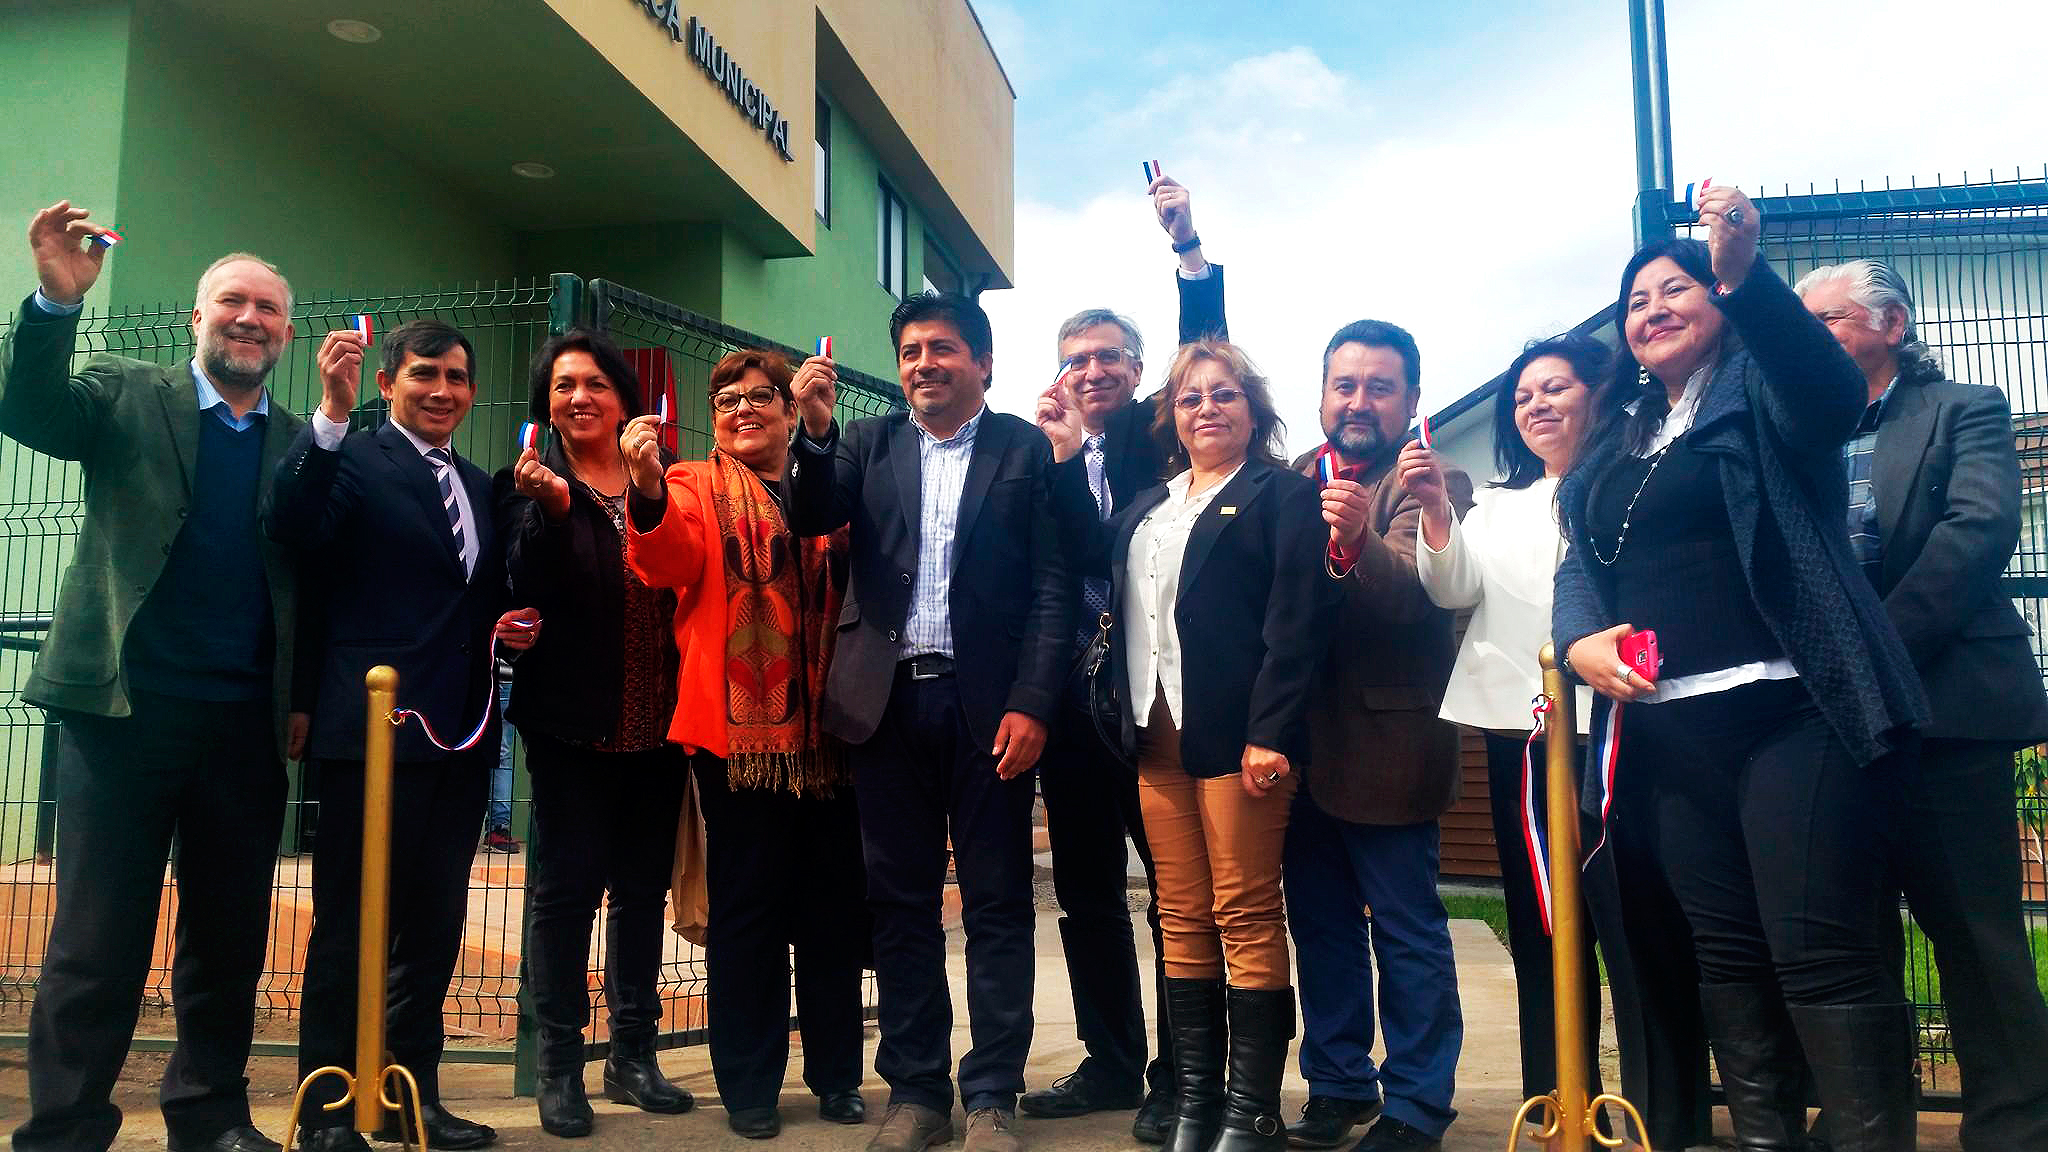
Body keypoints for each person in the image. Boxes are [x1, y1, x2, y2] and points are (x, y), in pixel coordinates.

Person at [1554, 189, 1928, 1152]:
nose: (1652, 310)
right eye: (1636, 300)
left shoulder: (1761, 391)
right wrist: (1582, 641)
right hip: (1671, 731)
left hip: (1790, 712)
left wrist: (1745, 275)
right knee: (1723, 953)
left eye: (1675, 289)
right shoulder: (1619, 436)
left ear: (1718, 301)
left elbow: (1832, 396)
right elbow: (1577, 566)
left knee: (1819, 949)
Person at [2, 205, 304, 1152]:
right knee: (97, 941)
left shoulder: (302, 443)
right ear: (196, 317)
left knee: (228, 940)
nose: (248, 318)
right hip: (120, 717)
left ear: (286, 332)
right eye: (232, 302)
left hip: (243, 728)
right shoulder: (125, 391)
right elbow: (30, 411)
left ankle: (209, 1117)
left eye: (267, 308)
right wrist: (55, 304)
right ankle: (65, 1129)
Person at [1407, 335, 1714, 1150]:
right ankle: (1557, 1103)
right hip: (1526, 734)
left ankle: (1665, 1116)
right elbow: (1454, 590)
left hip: (1626, 730)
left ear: (1598, 394)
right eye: (1522, 397)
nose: (1535, 406)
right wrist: (1436, 510)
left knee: (1641, 923)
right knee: (1544, 924)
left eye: (1554, 389)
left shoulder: (1634, 481)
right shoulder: (1498, 504)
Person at [787, 292, 1072, 1152]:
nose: (924, 364)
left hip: (991, 710)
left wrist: (1033, 701)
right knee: (899, 904)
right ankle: (915, 1093)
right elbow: (810, 514)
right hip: (885, 705)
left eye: (942, 348)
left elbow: (1053, 584)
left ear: (982, 363)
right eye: (911, 351)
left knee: (997, 904)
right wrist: (813, 431)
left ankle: (991, 1095)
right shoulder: (867, 442)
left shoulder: (1023, 448)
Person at [1037, 339, 1337, 1152]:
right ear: (1170, 416)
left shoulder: (1282, 494)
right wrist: (1065, 456)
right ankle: (1198, 1102)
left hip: (1240, 741)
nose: (1207, 408)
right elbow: (1087, 550)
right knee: (1181, 913)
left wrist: (1271, 732)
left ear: (1253, 409)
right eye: (1191, 398)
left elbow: (1296, 626)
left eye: (1223, 394)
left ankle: (1253, 1110)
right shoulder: (1151, 505)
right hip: (1152, 736)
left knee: (1245, 911)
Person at [267, 318, 539, 1152]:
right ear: (388, 383)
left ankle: (406, 1096)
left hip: (461, 735)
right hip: (372, 735)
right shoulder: (351, 457)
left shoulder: (478, 484)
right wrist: (330, 413)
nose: (442, 391)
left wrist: (508, 626)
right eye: (424, 374)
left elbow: (473, 594)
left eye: (456, 377)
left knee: (432, 927)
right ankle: (329, 1109)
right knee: (353, 926)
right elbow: (296, 525)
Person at [1799, 259, 2048, 1151]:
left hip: (1945, 708)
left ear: (1891, 324)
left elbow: (1976, 533)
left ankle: (2015, 1124)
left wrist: (1874, 652)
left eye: (1826, 321)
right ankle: (1867, 1120)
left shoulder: (1963, 409)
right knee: (1848, 933)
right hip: (1826, 721)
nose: (1808, 339)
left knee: (1975, 931)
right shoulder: (1795, 430)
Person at [1024, 174, 1229, 1146]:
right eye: (1075, 359)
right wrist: (1062, 461)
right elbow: (1054, 565)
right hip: (1073, 708)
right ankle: (1110, 1060)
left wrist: (1187, 250)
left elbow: (1207, 354)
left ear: (1138, 369)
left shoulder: (1160, 435)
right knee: (1086, 895)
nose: (1091, 371)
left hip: (1158, 703)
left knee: (1179, 896)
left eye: (1108, 356)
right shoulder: (1039, 454)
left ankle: (1184, 1075)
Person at [620, 345, 867, 1140]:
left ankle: (838, 1078)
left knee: (830, 913)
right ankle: (750, 1087)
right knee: (749, 914)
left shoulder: (830, 484)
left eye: (761, 396)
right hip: (737, 741)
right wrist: (647, 487)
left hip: (832, 737)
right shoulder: (692, 483)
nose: (743, 410)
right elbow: (665, 560)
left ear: (792, 411)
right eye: (727, 401)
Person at [1277, 321, 1470, 1152]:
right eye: (1344, 385)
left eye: (1379, 387)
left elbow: (1410, 600)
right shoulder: (1293, 476)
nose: (1359, 402)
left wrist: (1355, 539)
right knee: (1320, 927)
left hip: (1390, 747)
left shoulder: (1432, 479)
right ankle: (1338, 1084)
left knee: (1405, 931)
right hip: (1294, 749)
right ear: (1322, 395)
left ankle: (1419, 1104)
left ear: (1412, 399)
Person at [497, 328, 695, 1137]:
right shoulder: (525, 482)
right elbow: (523, 581)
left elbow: (684, 568)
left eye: (595, 384)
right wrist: (550, 510)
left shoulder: (665, 479)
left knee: (642, 892)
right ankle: (558, 1066)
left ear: (623, 399)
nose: (579, 397)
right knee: (566, 893)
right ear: (547, 406)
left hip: (661, 723)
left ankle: (632, 1054)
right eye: (563, 386)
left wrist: (648, 488)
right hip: (572, 727)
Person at [483, 659, 517, 852]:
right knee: (502, 754)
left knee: (500, 753)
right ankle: (498, 827)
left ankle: (498, 827)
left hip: (497, 677)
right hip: (502, 676)